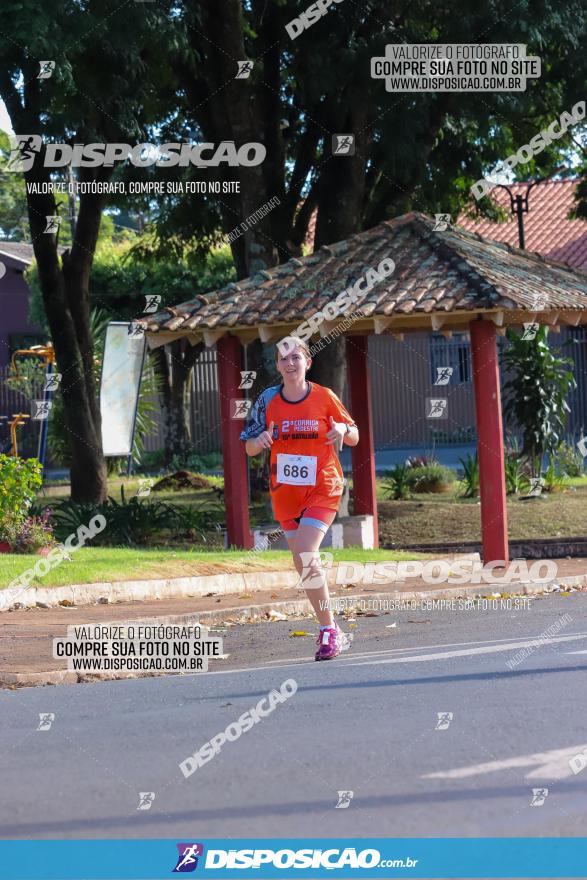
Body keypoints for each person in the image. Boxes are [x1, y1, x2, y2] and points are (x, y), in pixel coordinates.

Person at [240, 336, 359, 660]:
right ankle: (330, 623)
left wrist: (341, 432)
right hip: (286, 491)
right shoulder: (267, 400)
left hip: (324, 485)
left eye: (296, 357)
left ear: (308, 362)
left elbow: (355, 434)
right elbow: (249, 446)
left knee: (307, 551)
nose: (290, 364)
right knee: (301, 561)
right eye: (284, 359)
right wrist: (261, 439)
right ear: (277, 366)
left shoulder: (325, 397)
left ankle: (327, 632)